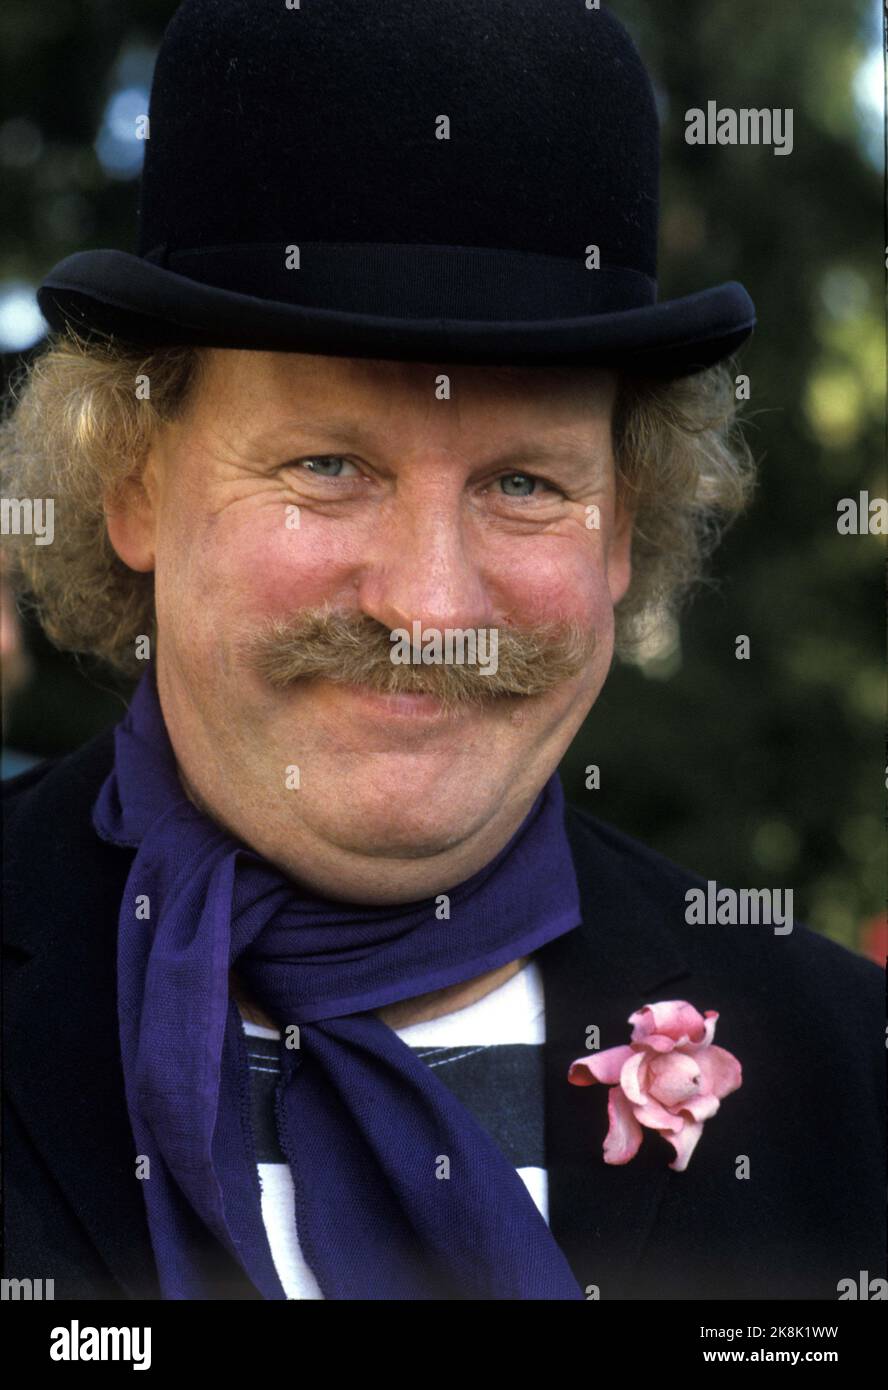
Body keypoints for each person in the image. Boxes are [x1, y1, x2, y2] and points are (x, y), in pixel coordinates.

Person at [2, 0, 882, 1302]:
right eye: (327, 463)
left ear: (624, 530)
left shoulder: (848, 1078)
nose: (427, 603)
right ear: (134, 485)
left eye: (526, 482)